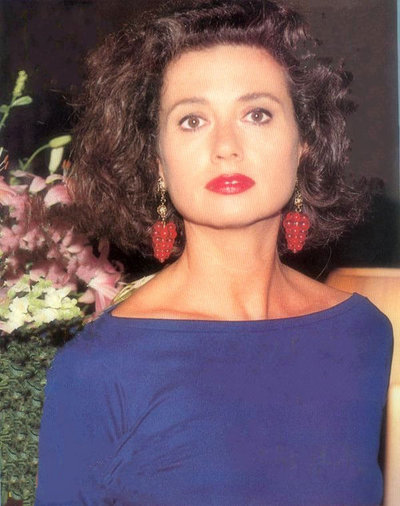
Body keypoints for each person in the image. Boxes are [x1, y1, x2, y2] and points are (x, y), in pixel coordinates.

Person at [35, 0, 393, 504]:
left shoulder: (363, 334)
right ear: (157, 161)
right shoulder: (99, 370)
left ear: (304, 142)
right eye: (192, 120)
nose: (226, 145)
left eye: (257, 114)